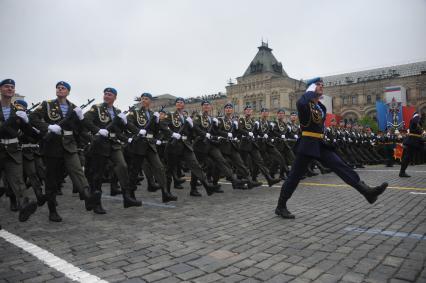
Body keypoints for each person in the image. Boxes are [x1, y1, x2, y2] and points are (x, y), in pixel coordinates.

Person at [275, 77, 388, 219]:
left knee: (341, 166)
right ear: (310, 89)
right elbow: (301, 102)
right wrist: (309, 92)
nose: (322, 86)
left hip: (320, 143)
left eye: (322, 85)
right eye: (318, 85)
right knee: (294, 177)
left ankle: (367, 192)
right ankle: (280, 206)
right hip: (307, 144)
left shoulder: (320, 107)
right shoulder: (304, 103)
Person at [30, 81, 93, 222]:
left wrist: (81, 118)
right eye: (58, 87)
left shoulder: (74, 108)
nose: (60, 89)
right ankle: (52, 210)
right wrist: (48, 126)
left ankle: (88, 196)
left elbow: (81, 128)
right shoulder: (47, 104)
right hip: (53, 146)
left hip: (70, 145)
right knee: (52, 179)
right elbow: (32, 118)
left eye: (63, 88)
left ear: (68, 92)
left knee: (77, 170)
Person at [84, 87, 142, 213]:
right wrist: (97, 130)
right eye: (105, 94)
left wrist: (132, 134)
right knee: (98, 174)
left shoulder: (118, 111)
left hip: (114, 144)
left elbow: (121, 128)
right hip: (100, 144)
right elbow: (86, 120)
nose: (106, 96)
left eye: (109, 94)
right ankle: (96, 203)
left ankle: (127, 197)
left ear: (115, 97)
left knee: (122, 166)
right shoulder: (96, 108)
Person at [0, 79, 38, 222]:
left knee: (18, 180)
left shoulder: (18, 111)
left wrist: (27, 122)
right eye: (6, 86)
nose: (10, 89)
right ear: (1, 89)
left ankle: (24, 206)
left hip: (13, 149)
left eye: (12, 87)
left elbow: (29, 133)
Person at [399, 112, 425, 177]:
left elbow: (419, 126)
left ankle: (402, 172)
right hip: (413, 141)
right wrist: (419, 116)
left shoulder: (416, 121)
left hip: (417, 141)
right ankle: (402, 172)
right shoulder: (414, 119)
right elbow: (416, 121)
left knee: (408, 157)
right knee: (407, 157)